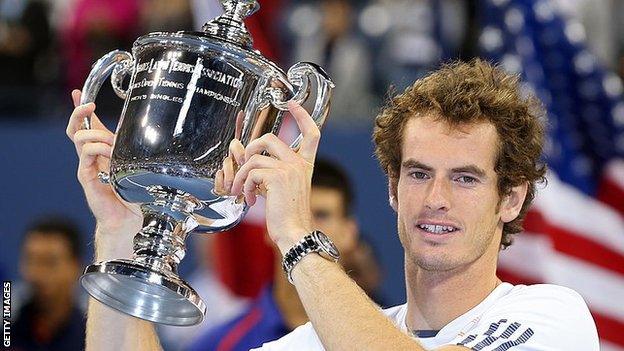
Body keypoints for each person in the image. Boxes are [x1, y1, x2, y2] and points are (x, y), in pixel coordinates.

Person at [66, 59, 599, 350]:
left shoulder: (552, 318)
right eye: (418, 174)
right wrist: (119, 233)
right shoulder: (318, 341)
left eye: (465, 179)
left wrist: (297, 235)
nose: (435, 200)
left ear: (510, 198)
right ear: (392, 188)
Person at [185, 159, 359, 351]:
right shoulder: (220, 345)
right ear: (270, 229)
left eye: (321, 215)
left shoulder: (384, 331)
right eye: (293, 215)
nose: (304, 228)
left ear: (348, 233)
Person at [12, 217, 86, 351]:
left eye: (50, 262)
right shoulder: (6, 329)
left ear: (76, 266)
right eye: (31, 261)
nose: (36, 273)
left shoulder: (93, 337)